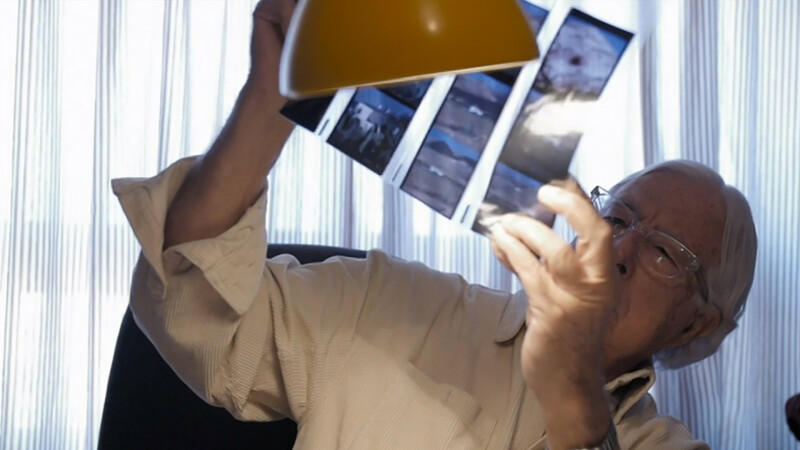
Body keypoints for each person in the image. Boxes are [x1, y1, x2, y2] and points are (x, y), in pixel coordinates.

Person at [111, 1, 757, 448]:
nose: (619, 248)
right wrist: (268, 99)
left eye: (665, 252)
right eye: (617, 216)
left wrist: (574, 392)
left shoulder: (666, 445)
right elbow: (195, 312)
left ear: (698, 324)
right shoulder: (395, 304)